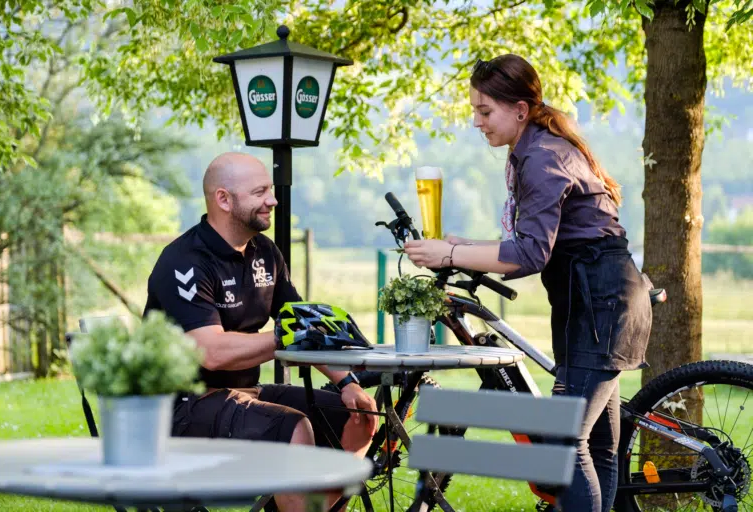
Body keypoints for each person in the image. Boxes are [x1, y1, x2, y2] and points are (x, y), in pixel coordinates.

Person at [403, 54, 653, 512]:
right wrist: (462, 244)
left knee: (563, 441)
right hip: (595, 303)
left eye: (484, 111)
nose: (477, 122)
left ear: (520, 109)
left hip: (602, 306)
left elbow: (529, 255)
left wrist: (451, 254)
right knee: (597, 446)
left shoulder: (540, 156)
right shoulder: (537, 147)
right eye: (475, 111)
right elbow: (534, 242)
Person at [143, 152, 378, 512]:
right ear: (224, 199)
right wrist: (284, 338)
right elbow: (212, 352)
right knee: (293, 428)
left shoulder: (265, 252)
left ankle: (299, 505)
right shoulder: (184, 261)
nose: (273, 199)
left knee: (360, 417)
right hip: (180, 406)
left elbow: (301, 323)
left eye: (270, 189)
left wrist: (347, 383)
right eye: (260, 192)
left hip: (245, 392)